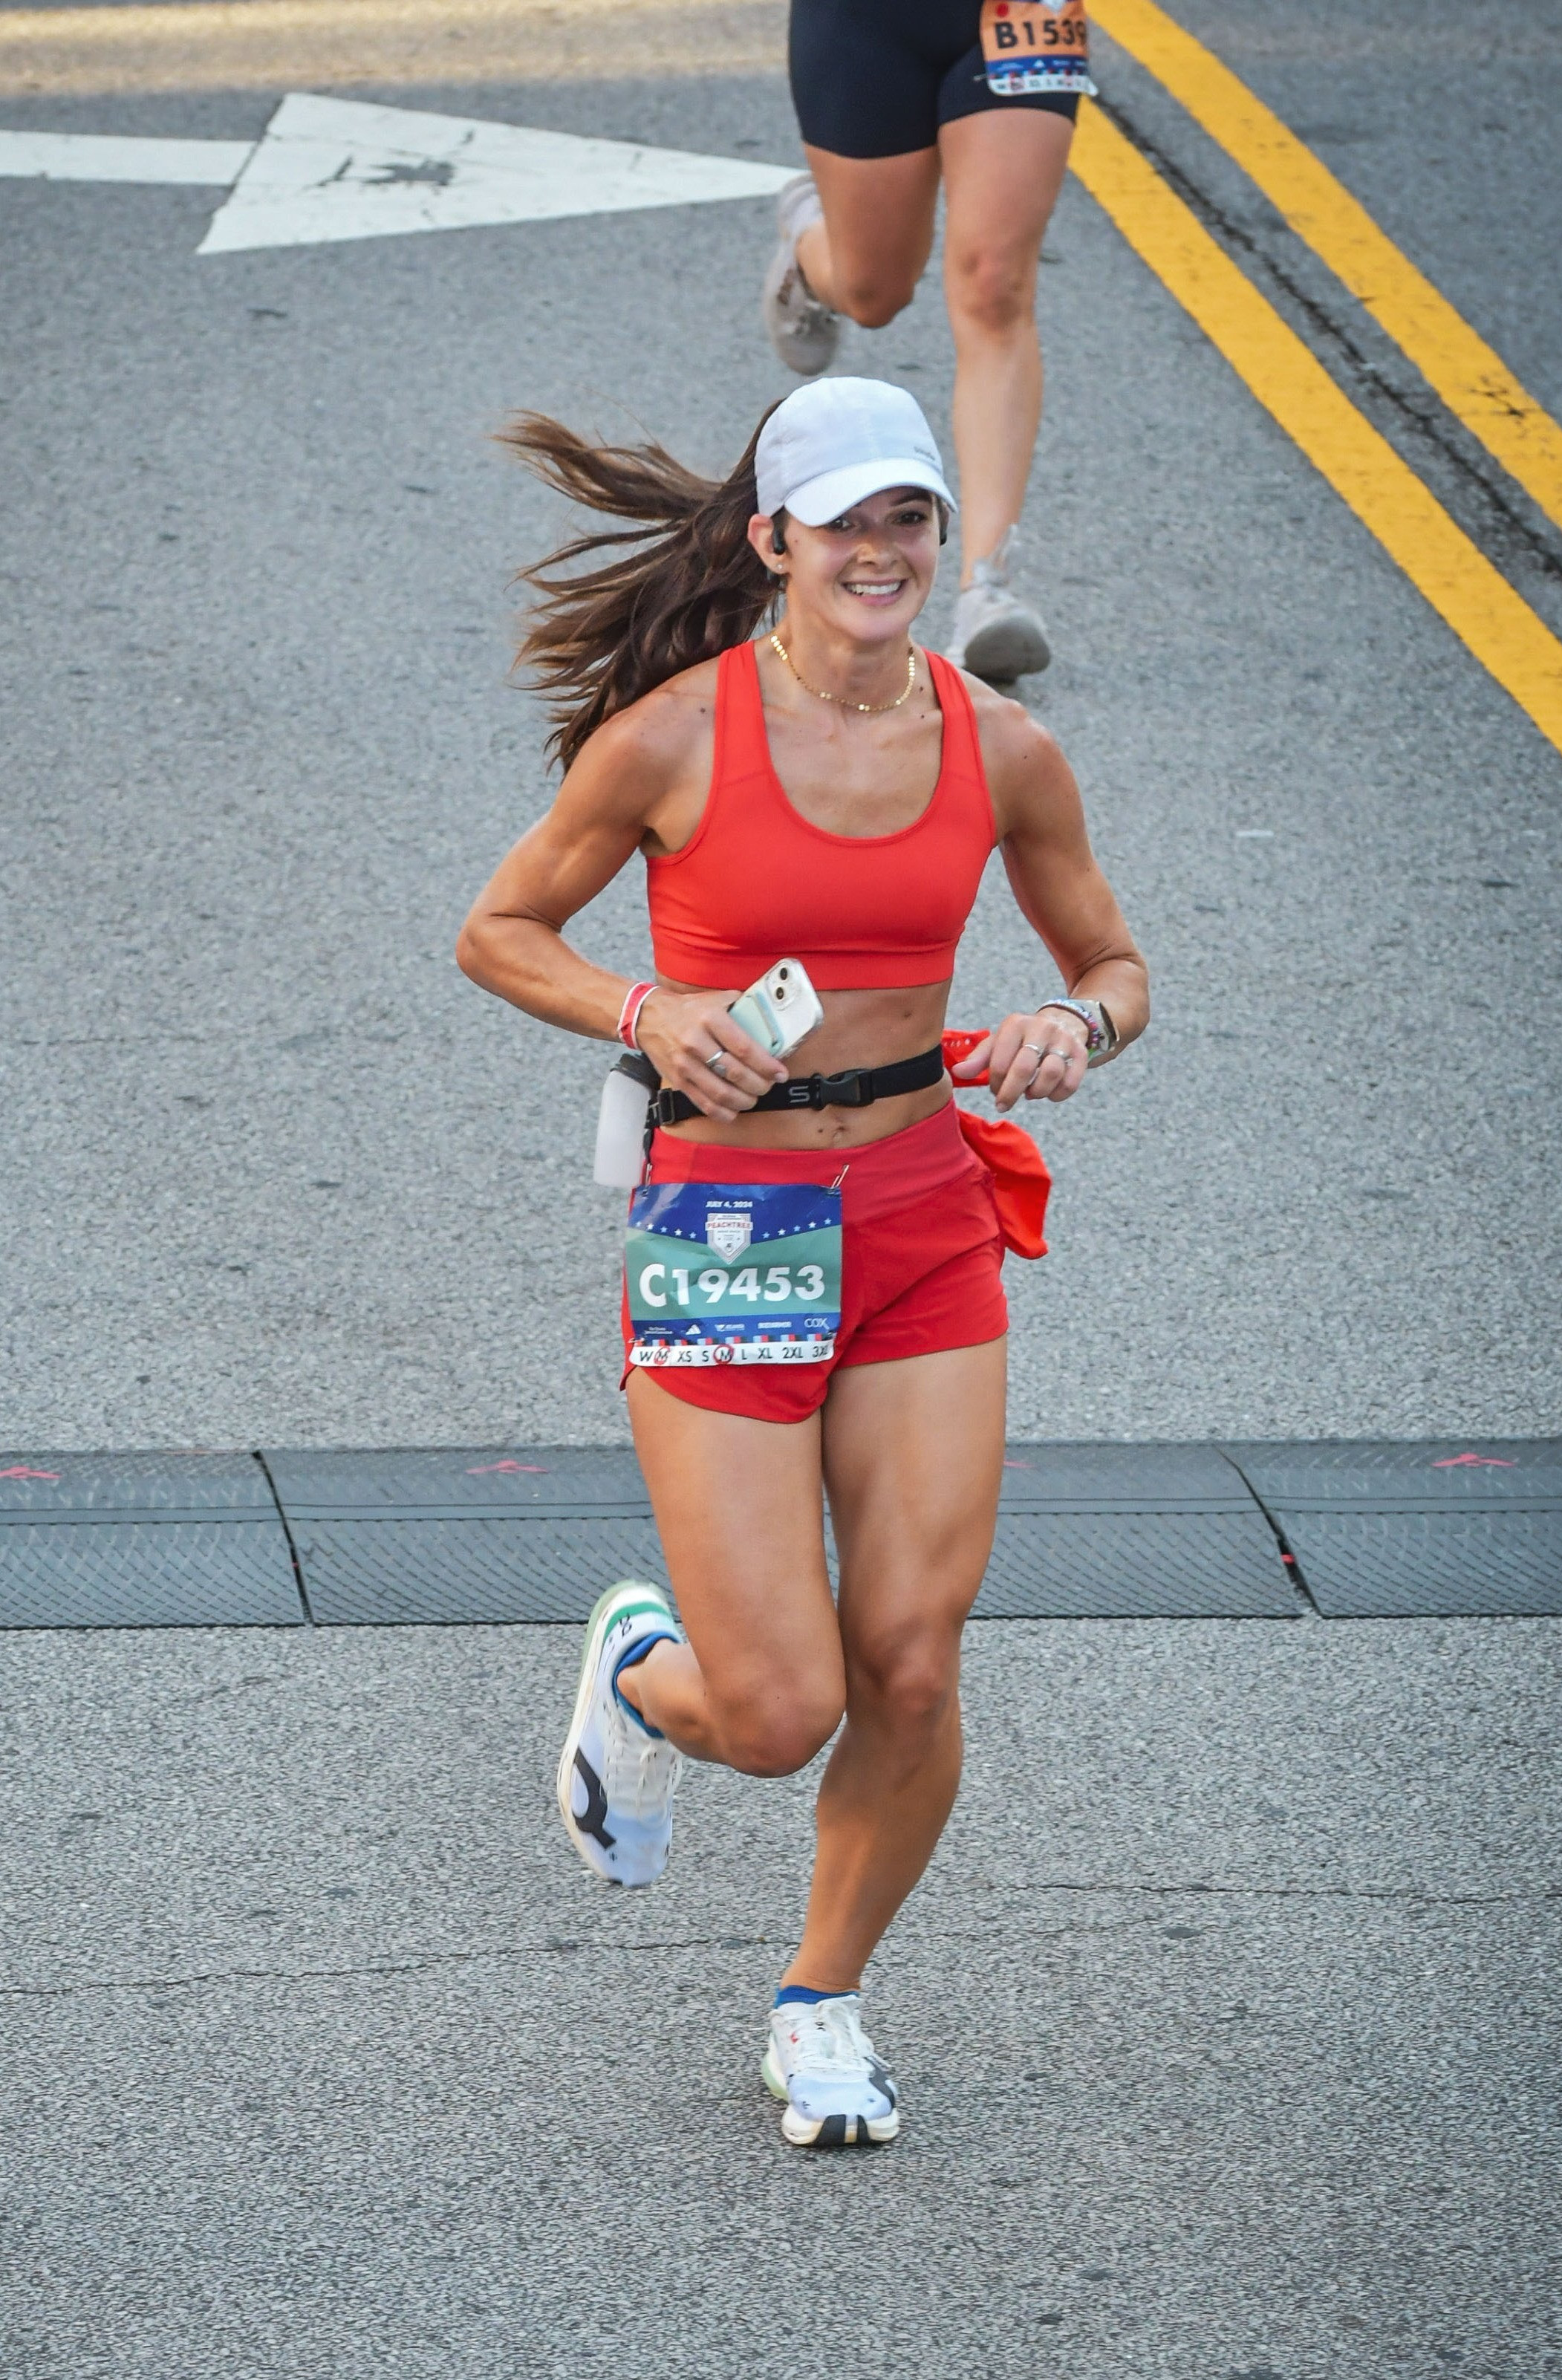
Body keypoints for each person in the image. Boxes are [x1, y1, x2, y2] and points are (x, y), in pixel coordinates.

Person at [458, 376, 1147, 2149]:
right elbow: (501, 929)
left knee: (910, 1659)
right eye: (844, 522)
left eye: (908, 516)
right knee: (775, 1710)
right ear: (773, 540)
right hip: (733, 1221)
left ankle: (819, 2000)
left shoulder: (1001, 745)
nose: (880, 550)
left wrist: (1075, 1023)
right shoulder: (674, 736)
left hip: (920, 1212)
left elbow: (1115, 964)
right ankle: (642, 1673)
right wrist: (644, 1009)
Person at [763, 0, 1097, 683]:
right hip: (868, 19)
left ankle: (987, 586)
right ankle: (809, 250)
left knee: (996, 286)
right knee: (873, 291)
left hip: (1021, 14)